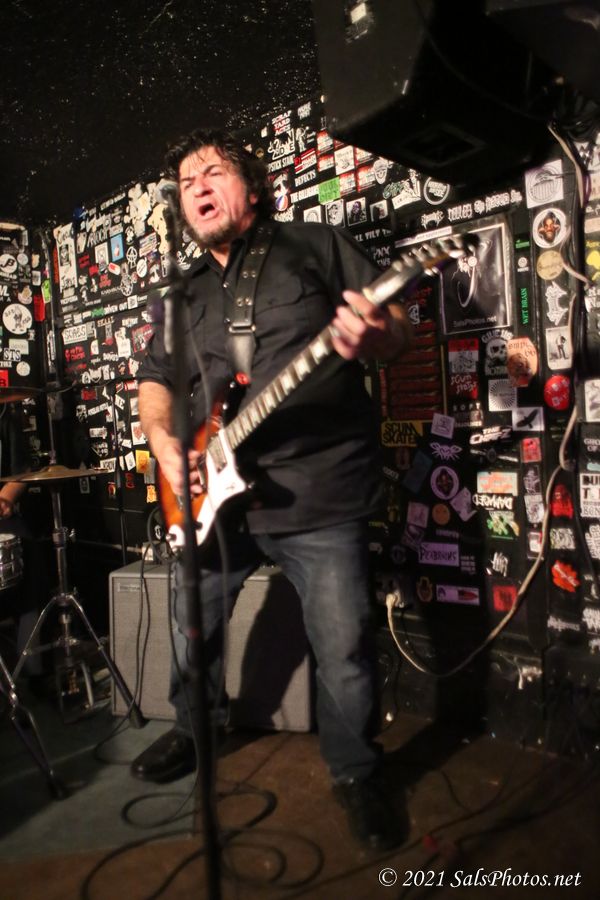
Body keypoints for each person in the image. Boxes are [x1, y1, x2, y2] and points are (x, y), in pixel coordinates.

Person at [131, 128, 412, 850]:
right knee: (191, 626)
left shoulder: (315, 246)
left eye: (212, 171)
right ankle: (196, 730)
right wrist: (163, 443)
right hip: (212, 497)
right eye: (186, 180)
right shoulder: (181, 291)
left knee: (343, 645)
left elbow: (395, 328)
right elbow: (155, 382)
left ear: (252, 186)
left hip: (319, 487)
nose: (196, 186)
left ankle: (356, 772)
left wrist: (375, 335)